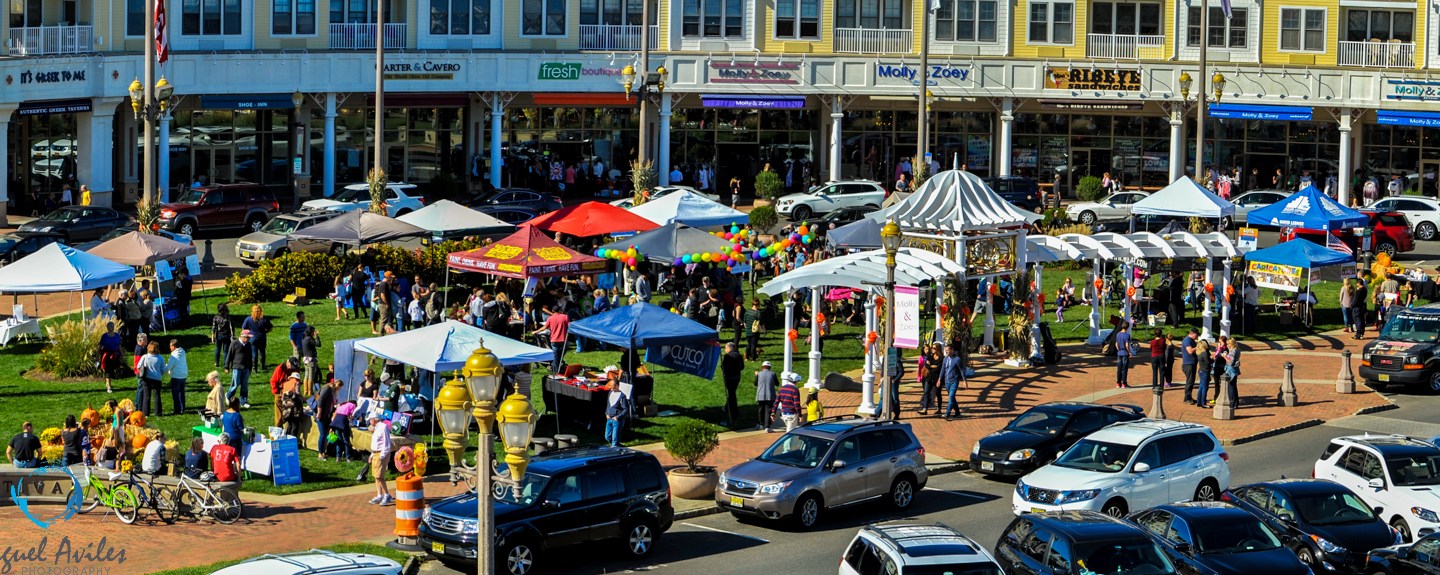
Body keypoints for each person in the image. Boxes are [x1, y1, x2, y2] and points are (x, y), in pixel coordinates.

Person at [368, 413, 393, 505]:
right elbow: (376, 443)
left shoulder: (383, 427)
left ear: (374, 419)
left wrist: (382, 455)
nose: (370, 422)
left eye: (370, 419)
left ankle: (387, 494)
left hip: (381, 454)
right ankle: (379, 495)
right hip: (375, 453)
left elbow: (386, 443)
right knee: (375, 475)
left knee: (379, 476)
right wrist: (372, 455)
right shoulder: (377, 428)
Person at [226, 330, 255, 408]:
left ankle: (243, 401)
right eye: (248, 337)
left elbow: (250, 357)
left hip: (246, 369)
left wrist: (250, 368)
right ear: (243, 337)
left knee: (244, 386)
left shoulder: (248, 344)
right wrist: (227, 366)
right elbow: (229, 355)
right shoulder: (234, 343)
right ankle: (228, 396)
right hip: (237, 368)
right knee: (235, 384)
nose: (249, 339)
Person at [136, 340, 166, 416]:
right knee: (157, 396)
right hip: (157, 379)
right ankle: (158, 413)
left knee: (146, 396)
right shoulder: (160, 358)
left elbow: (138, 366)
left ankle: (146, 413)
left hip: (146, 379)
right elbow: (163, 369)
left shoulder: (145, 357)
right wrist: (160, 374)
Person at [241, 305, 271, 370]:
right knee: (262, 353)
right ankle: (263, 366)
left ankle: (254, 367)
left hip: (253, 339)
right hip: (262, 338)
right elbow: (270, 328)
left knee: (254, 353)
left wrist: (248, 334)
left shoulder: (248, 319)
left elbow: (243, 328)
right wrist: (265, 332)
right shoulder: (264, 319)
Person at [315, 378, 339, 460]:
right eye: (340, 388)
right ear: (337, 385)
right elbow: (320, 400)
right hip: (321, 416)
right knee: (322, 434)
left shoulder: (332, 391)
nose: (339, 390)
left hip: (327, 416)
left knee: (325, 434)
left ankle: (323, 452)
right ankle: (320, 453)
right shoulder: (327, 388)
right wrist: (319, 412)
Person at [720, 343, 743, 427]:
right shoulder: (739, 355)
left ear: (729, 348)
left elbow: (724, 367)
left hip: (729, 377)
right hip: (737, 377)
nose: (725, 350)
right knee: (732, 393)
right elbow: (742, 367)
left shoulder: (727, 356)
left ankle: (731, 410)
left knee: (731, 394)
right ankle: (730, 408)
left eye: (725, 348)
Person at [941, 343, 965, 420]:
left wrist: (964, 381)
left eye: (947, 350)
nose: (946, 352)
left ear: (952, 350)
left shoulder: (957, 359)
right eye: (945, 350)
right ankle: (957, 412)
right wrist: (939, 379)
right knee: (952, 398)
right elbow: (942, 370)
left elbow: (962, 370)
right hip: (947, 381)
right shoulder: (945, 359)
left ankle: (947, 414)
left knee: (950, 397)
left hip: (954, 381)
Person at [543, 304, 570, 373]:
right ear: (560, 310)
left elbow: (545, 327)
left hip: (554, 340)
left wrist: (535, 331)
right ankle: (558, 368)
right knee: (560, 355)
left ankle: (556, 370)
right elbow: (570, 326)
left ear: (552, 311)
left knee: (555, 356)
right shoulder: (565, 317)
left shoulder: (550, 318)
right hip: (564, 339)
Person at [603, 381, 630, 447]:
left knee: (615, 440)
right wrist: (606, 413)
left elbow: (626, 409)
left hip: (617, 420)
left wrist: (618, 417)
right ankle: (620, 447)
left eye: (612, 385)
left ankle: (615, 449)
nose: (610, 387)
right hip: (609, 418)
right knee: (607, 437)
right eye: (610, 385)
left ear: (617, 386)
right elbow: (608, 405)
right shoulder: (610, 393)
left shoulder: (622, 396)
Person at [918, 343, 943, 415]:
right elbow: (926, 365)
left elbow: (938, 368)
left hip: (937, 378)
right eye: (932, 348)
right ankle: (925, 409)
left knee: (938, 393)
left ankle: (939, 408)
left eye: (934, 348)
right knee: (926, 392)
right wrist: (932, 366)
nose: (932, 349)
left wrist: (930, 366)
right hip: (929, 378)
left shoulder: (941, 358)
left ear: (938, 349)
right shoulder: (930, 356)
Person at [98, 321, 123, 393]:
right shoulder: (104, 336)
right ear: (107, 327)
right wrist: (97, 355)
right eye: (110, 326)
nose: (112, 328)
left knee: (112, 370)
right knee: (108, 370)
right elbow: (100, 346)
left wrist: (121, 355)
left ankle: (107, 383)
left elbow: (119, 346)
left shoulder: (117, 336)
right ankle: (108, 386)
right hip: (107, 356)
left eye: (113, 326)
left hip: (115, 355)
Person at [755, 361, 778, 432]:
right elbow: (777, 383)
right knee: (769, 410)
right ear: (769, 367)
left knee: (761, 409)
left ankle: (761, 424)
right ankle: (767, 426)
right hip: (770, 395)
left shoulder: (759, 374)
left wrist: (756, 375)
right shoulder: (773, 374)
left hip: (760, 395)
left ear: (762, 367)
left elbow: (755, 383)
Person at [166, 339, 189, 416]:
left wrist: (165, 369)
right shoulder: (182, 352)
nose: (169, 347)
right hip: (183, 375)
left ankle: (177, 410)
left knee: (175, 394)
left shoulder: (173, 356)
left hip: (176, 376)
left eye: (170, 346)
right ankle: (182, 408)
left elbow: (169, 367)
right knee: (181, 393)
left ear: (174, 346)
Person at [211, 303, 233, 368]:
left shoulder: (216, 317)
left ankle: (216, 363)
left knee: (217, 349)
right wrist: (232, 335)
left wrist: (213, 336)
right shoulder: (228, 317)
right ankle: (225, 364)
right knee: (226, 350)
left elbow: (214, 327)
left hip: (219, 335)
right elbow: (231, 327)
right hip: (226, 336)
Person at [1180, 329, 1199, 404]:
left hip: (1192, 363)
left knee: (1191, 381)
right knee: (1189, 382)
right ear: (1193, 334)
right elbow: (1190, 351)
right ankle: (1187, 398)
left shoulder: (1191, 340)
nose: (1197, 336)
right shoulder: (1187, 340)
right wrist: (1198, 347)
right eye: (1197, 334)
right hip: (1188, 364)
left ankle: (1189, 397)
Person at [1114, 322, 1132, 388]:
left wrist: (1118, 349)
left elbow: (1116, 344)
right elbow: (1127, 345)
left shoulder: (1118, 334)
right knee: (1124, 369)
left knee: (1119, 368)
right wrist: (1129, 352)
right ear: (1127, 327)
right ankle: (1124, 383)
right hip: (1125, 353)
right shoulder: (1127, 335)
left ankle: (1118, 383)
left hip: (1119, 353)